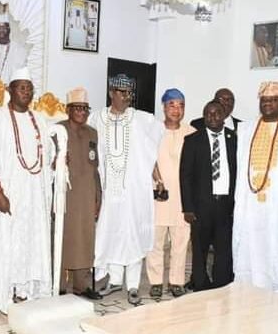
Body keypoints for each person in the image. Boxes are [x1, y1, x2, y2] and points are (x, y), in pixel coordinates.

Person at [0, 67, 52, 314]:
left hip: (34, 193)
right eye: (21, 87)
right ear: (10, 89)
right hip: (10, 190)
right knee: (7, 240)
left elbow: (47, 154)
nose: (27, 92)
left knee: (31, 240)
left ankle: (26, 290)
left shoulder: (40, 120)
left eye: (30, 88)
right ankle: (5, 293)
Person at [91, 74, 164, 305]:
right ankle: (114, 281)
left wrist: (159, 179)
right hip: (108, 188)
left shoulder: (142, 119)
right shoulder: (96, 118)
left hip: (134, 189)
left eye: (129, 93)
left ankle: (132, 285)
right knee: (111, 231)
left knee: (133, 233)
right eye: (122, 92)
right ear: (111, 92)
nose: (127, 97)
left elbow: (150, 154)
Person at [232, 81, 278, 297]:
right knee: (250, 241)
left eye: (274, 100)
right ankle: (250, 282)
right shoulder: (246, 128)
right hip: (250, 199)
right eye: (264, 100)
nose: (268, 104)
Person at [180, 100, 236, 292]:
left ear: (224, 115)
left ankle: (222, 284)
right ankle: (201, 284)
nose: (213, 117)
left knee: (224, 249)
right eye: (208, 114)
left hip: (226, 205)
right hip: (201, 205)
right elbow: (185, 176)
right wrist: (187, 207)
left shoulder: (234, 139)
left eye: (217, 113)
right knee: (199, 249)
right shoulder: (193, 140)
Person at [146, 89, 194, 298]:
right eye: (172, 105)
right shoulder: (153, 130)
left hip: (183, 198)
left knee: (180, 241)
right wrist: (155, 180)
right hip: (158, 196)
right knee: (155, 242)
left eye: (180, 105)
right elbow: (146, 159)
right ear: (164, 107)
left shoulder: (191, 132)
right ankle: (155, 281)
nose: (176, 110)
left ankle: (177, 281)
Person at [55, 87, 102, 300]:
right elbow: (48, 162)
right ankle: (60, 285)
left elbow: (95, 167)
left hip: (87, 193)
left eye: (85, 108)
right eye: (77, 108)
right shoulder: (57, 130)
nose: (82, 112)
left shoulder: (93, 133)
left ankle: (81, 286)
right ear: (68, 109)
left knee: (85, 238)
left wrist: (98, 197)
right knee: (64, 238)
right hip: (66, 195)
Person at [0, 13, 27, 83]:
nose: (1, 31)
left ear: (9, 29)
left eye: (4, 28)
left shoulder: (18, 49)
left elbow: (19, 73)